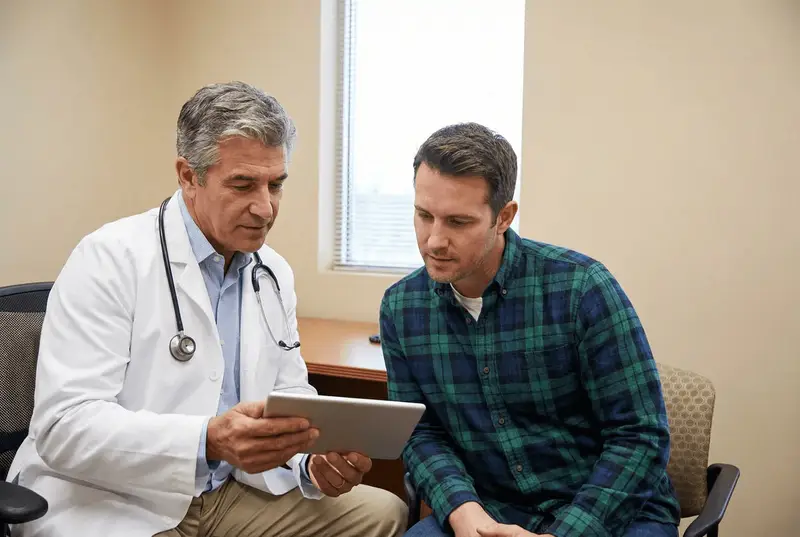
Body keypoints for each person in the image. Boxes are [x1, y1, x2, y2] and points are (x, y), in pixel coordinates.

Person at [7, 81, 407, 537]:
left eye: (276, 184)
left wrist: (311, 462)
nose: (265, 207)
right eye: (243, 184)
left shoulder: (272, 274)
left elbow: (290, 397)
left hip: (227, 493)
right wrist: (207, 440)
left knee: (381, 514)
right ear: (187, 175)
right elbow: (64, 427)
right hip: (110, 498)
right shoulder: (109, 258)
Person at [379, 123, 681, 537]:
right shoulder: (401, 307)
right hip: (491, 512)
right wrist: (466, 515)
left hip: (609, 513)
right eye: (423, 215)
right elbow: (420, 432)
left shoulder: (582, 287)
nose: (434, 240)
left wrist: (567, 533)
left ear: (504, 217)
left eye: (458, 222)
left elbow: (639, 436)